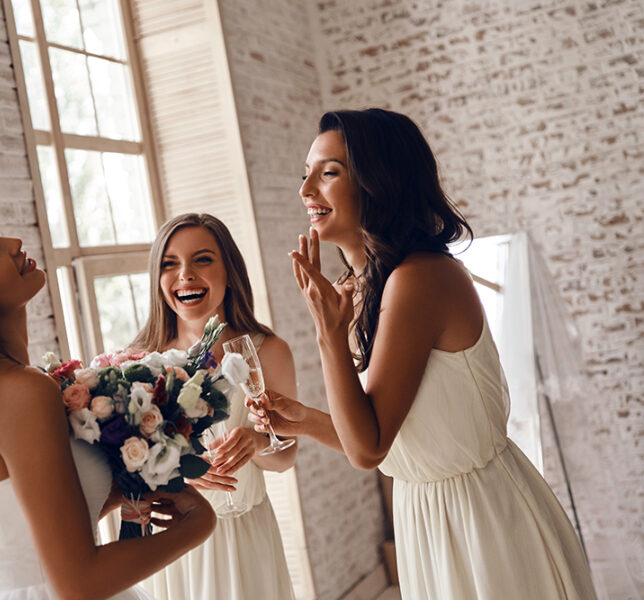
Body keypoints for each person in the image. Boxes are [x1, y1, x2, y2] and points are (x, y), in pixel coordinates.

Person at [250, 109, 597, 599]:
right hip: (426, 515)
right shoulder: (362, 287)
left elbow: (368, 448)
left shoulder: (420, 278)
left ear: (379, 182)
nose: (306, 190)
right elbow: (386, 437)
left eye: (328, 173)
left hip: (480, 520)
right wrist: (304, 419)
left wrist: (328, 334)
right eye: (305, 173)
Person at [0, 207, 215, 600]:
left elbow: (29, 535)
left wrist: (118, 493)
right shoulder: (20, 391)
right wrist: (198, 524)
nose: (14, 244)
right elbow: (79, 584)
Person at [130, 213, 297, 600]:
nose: (184, 275)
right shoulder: (139, 360)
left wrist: (255, 443)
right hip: (176, 541)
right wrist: (177, 470)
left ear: (229, 271)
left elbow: (286, 458)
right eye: (169, 264)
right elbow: (122, 469)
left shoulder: (268, 351)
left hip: (246, 531)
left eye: (202, 260)